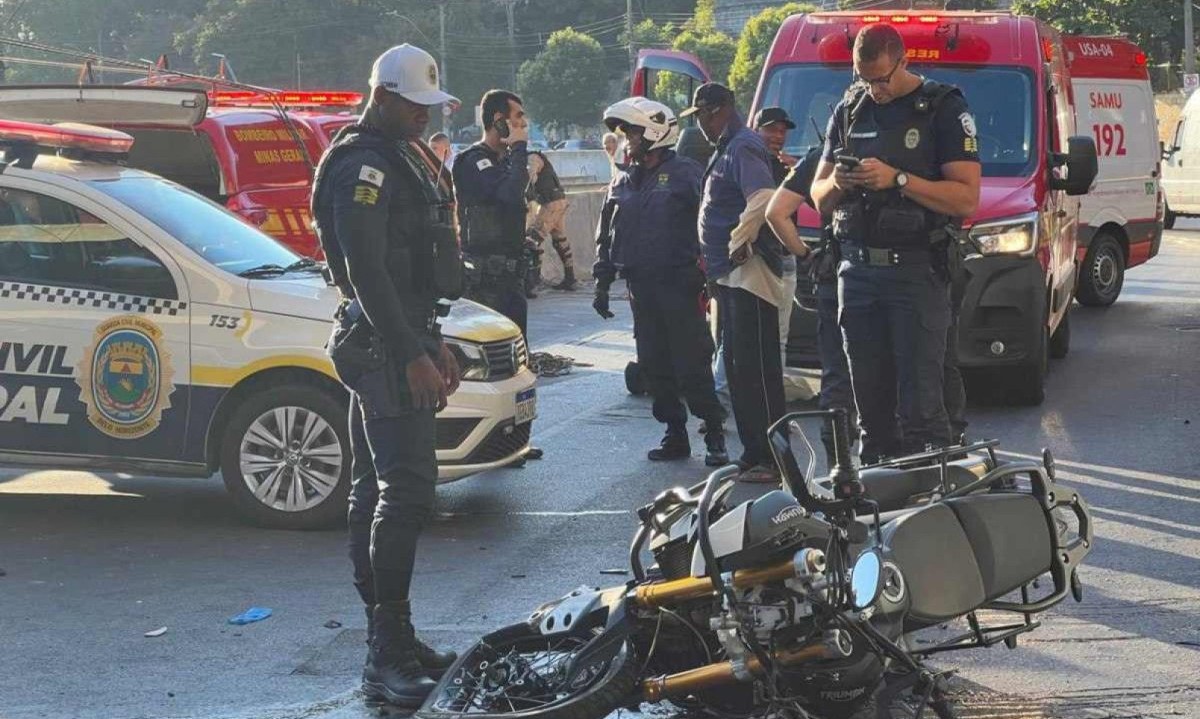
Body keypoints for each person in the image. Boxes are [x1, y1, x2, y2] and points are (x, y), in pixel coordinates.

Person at [310, 44, 461, 708]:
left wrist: (434, 340)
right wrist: (411, 352)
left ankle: (392, 633)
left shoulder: (395, 155)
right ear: (387, 97)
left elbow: (406, 268)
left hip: (398, 335)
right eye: (417, 107)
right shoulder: (362, 165)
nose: (425, 120)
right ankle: (386, 651)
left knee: (377, 489)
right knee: (404, 492)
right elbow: (368, 270)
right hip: (383, 346)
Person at [811, 23, 981, 463]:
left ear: (904, 62)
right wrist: (841, 182)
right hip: (858, 272)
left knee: (922, 407)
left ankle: (929, 504)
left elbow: (966, 197)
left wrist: (898, 179)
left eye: (881, 80)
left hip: (915, 272)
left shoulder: (942, 107)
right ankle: (877, 506)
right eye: (862, 79)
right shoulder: (850, 110)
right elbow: (817, 197)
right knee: (870, 409)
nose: (873, 89)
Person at [593, 97, 728, 466]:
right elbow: (606, 234)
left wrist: (715, 275)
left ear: (654, 132)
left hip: (681, 286)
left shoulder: (686, 173)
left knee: (692, 361)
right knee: (654, 364)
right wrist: (601, 282)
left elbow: (711, 225)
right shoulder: (622, 179)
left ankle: (714, 432)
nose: (626, 140)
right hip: (641, 290)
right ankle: (674, 433)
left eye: (632, 132)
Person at [684, 82, 788, 483]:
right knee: (738, 366)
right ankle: (753, 452)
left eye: (705, 116)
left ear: (721, 110)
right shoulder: (729, 147)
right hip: (729, 276)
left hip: (749, 274)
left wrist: (737, 241)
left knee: (757, 370)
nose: (703, 126)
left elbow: (763, 198)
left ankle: (770, 457)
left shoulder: (743, 145)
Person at [454, 89, 544, 462]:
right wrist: (521, 151)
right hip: (485, 282)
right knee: (488, 368)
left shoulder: (507, 162)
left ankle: (514, 440)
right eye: (517, 117)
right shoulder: (473, 161)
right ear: (497, 121)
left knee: (518, 364)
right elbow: (507, 197)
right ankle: (484, 441)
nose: (522, 123)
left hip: (510, 278)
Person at [767, 144, 855, 465]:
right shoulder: (898, 145)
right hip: (893, 280)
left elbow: (775, 212)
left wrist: (807, 255)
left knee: (837, 377)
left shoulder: (824, 154)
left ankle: (840, 469)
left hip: (835, 277)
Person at [753, 106, 803, 374]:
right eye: (771, 129)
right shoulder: (749, 165)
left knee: (778, 338)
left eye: (782, 131)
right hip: (756, 261)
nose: (778, 136)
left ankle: (774, 398)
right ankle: (726, 399)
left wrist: (800, 173)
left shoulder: (789, 167)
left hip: (784, 259)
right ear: (756, 130)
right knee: (742, 336)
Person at [526, 150, 578, 292]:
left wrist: (526, 194)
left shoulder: (531, 157)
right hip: (559, 201)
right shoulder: (536, 156)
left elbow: (530, 176)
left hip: (550, 204)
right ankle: (570, 278)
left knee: (532, 239)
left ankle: (532, 283)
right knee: (560, 240)